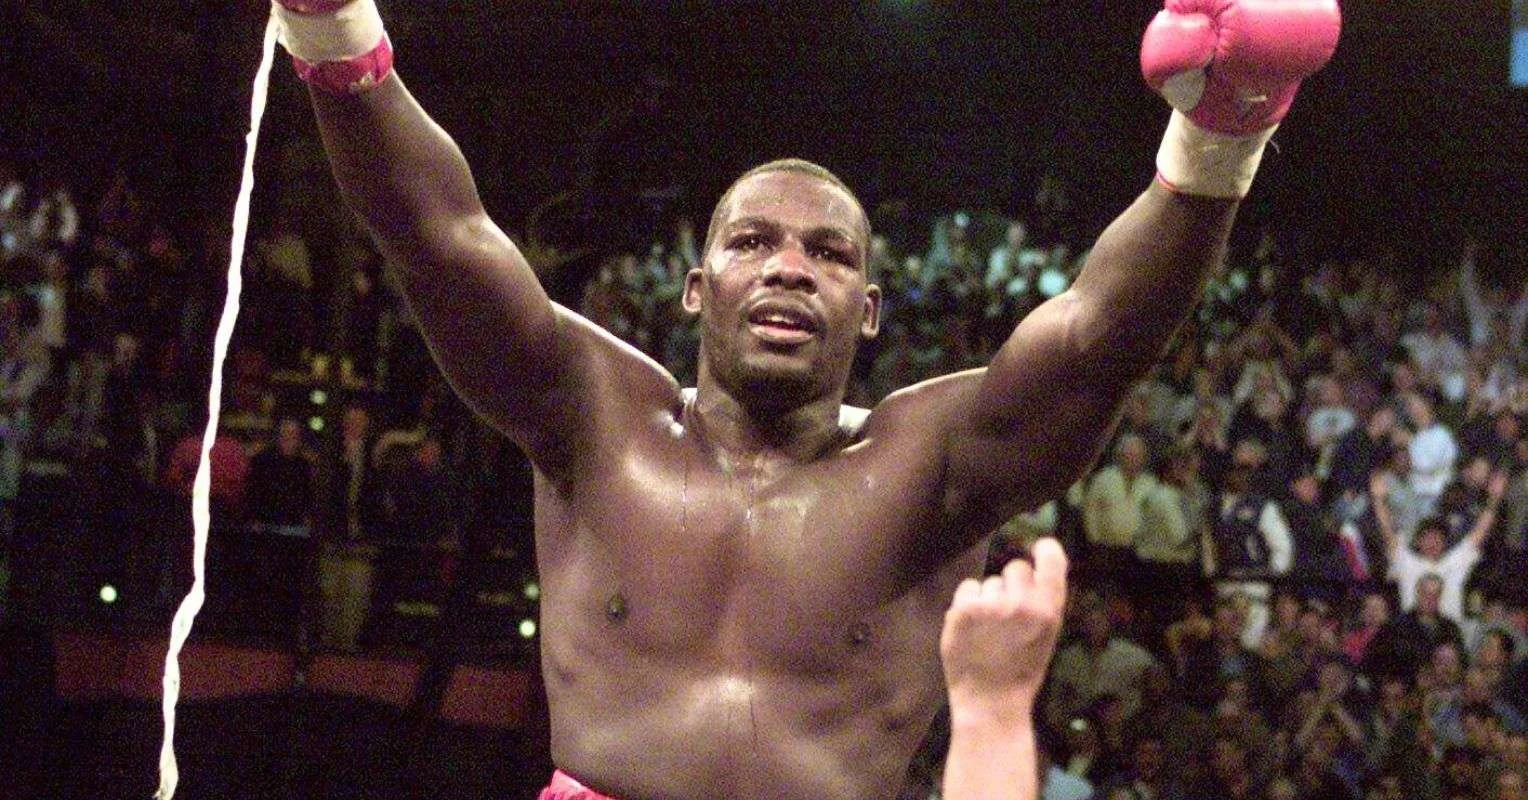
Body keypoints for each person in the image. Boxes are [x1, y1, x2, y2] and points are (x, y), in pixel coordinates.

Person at [270, 0, 1340, 797]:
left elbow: (1096, 336)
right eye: (751, 242)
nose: (788, 267)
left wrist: (1223, 130)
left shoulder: (932, 463)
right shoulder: (596, 415)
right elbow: (441, 240)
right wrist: (331, 30)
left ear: (869, 308)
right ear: (698, 288)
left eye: (827, 253)